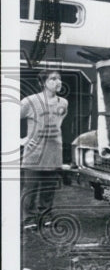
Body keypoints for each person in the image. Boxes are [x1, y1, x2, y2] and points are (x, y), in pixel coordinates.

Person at [21, 68, 68, 228]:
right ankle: (28, 219)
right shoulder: (29, 101)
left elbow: (58, 123)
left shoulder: (63, 103)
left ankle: (45, 216)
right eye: (52, 79)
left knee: (49, 189)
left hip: (54, 152)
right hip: (34, 154)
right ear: (42, 83)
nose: (58, 82)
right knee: (30, 189)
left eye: (59, 78)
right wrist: (22, 140)